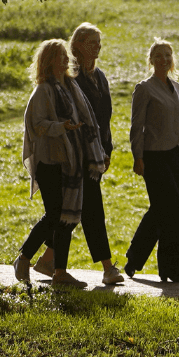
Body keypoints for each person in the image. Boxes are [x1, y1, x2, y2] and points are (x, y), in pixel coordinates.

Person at [35, 23, 122, 286]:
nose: (98, 47)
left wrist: (106, 149)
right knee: (92, 209)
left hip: (96, 154)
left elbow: (104, 119)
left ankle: (47, 259)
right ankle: (107, 268)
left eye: (99, 42)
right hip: (76, 155)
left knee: (75, 209)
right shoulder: (72, 79)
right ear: (77, 45)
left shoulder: (101, 77)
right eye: (92, 42)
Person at [15, 39, 106, 288]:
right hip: (50, 162)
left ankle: (60, 273)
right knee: (55, 215)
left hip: (72, 161)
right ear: (49, 61)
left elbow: (85, 121)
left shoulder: (71, 87)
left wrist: (94, 150)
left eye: (66, 54)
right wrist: (60, 127)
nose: (66, 58)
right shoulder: (43, 90)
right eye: (60, 55)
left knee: (67, 217)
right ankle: (24, 258)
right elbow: (35, 125)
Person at [124, 39, 179, 283]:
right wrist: (137, 156)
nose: (164, 59)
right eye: (159, 55)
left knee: (163, 210)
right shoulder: (144, 88)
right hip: (153, 156)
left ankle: (150, 263)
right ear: (151, 60)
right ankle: (169, 268)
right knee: (168, 209)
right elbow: (137, 126)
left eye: (168, 55)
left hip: (173, 155)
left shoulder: (178, 88)